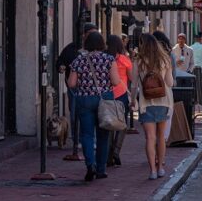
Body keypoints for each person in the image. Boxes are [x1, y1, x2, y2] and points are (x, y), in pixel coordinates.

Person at [67, 31, 121, 181]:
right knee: (103, 135)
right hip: (104, 99)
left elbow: (71, 83)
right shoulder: (109, 59)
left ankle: (90, 164)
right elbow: (116, 81)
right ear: (102, 44)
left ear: (87, 44)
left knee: (86, 134)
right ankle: (101, 169)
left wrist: (83, 83)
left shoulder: (79, 60)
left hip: (85, 99)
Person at [130, 33, 174, 180]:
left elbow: (134, 84)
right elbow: (170, 83)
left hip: (146, 103)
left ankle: (152, 171)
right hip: (163, 101)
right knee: (161, 137)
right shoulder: (165, 59)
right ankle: (161, 167)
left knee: (150, 137)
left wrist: (132, 100)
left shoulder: (139, 61)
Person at [56, 23, 99, 154]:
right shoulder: (71, 49)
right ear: (84, 34)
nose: (93, 36)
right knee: (75, 113)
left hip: (92, 88)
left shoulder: (99, 50)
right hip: (75, 88)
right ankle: (77, 140)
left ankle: (90, 139)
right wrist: (61, 67)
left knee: (93, 115)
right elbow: (60, 62)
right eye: (91, 33)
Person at [106, 34, 132, 167]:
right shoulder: (124, 59)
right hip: (121, 93)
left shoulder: (105, 59)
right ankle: (116, 150)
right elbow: (131, 77)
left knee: (109, 123)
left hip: (108, 94)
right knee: (122, 124)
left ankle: (108, 155)